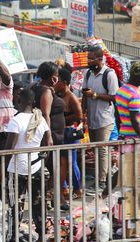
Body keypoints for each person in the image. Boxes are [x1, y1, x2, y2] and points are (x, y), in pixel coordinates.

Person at [3, 88, 50, 242]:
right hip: (36, 166)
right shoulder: (40, 119)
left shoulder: (16, 121)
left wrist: (0, 170)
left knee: (15, 205)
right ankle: (42, 236)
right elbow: (48, 143)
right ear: (33, 102)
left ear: (19, 100)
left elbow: (10, 148)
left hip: (17, 168)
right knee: (38, 204)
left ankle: (13, 237)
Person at [82, 46, 119, 193]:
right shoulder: (88, 74)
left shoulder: (109, 74)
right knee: (96, 149)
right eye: (88, 58)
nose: (89, 61)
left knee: (102, 149)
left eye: (91, 58)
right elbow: (85, 94)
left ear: (99, 59)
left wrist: (95, 95)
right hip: (92, 118)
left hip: (105, 119)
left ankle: (102, 181)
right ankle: (103, 178)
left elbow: (114, 97)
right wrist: (83, 113)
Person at [31, 61, 65, 201]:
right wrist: (49, 135)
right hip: (51, 135)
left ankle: (51, 196)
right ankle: (54, 197)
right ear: (52, 77)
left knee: (50, 167)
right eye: (56, 75)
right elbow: (45, 114)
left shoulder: (38, 88)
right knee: (54, 167)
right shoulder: (45, 91)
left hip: (50, 134)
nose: (58, 78)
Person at [54, 68, 83, 209]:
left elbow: (79, 116)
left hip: (70, 133)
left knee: (71, 162)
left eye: (58, 80)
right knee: (61, 161)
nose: (55, 82)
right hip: (60, 133)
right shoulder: (57, 94)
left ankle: (77, 188)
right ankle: (64, 188)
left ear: (64, 82)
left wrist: (62, 119)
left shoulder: (71, 97)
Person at [115, 62, 140, 138]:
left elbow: (117, 115)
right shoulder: (134, 95)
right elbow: (134, 119)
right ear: (138, 78)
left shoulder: (121, 90)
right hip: (134, 137)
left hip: (124, 133)